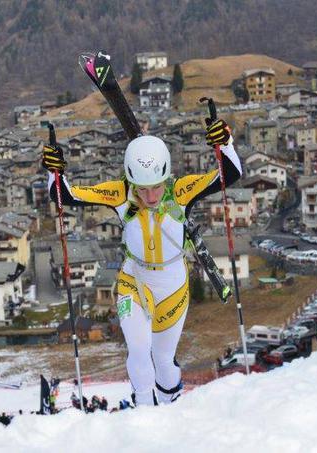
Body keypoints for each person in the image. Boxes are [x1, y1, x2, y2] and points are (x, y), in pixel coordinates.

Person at [43, 117, 241, 406]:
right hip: (133, 280)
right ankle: (144, 411)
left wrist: (225, 143)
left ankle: (170, 409)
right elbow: (65, 196)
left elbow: (231, 174)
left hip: (172, 286)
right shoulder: (120, 193)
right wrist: (54, 170)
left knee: (162, 359)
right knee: (138, 347)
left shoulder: (182, 191)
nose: (150, 196)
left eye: (157, 187)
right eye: (142, 188)